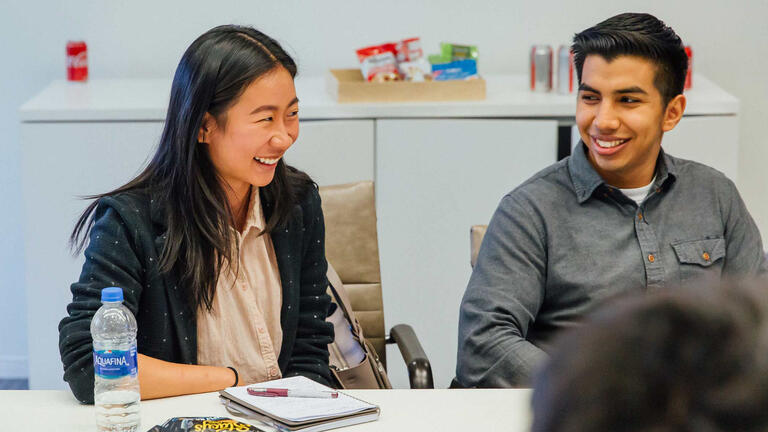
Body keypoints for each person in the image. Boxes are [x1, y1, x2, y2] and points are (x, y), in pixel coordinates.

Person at [456, 12, 767, 387]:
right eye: (590, 98)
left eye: (627, 100)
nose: (603, 120)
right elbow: (484, 345)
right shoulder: (530, 210)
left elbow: (757, 317)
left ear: (672, 112)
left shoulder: (715, 194)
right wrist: (597, 394)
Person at [59, 25, 334, 403]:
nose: (284, 137)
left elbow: (311, 348)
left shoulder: (298, 203)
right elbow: (90, 362)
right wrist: (230, 381)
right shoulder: (132, 221)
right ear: (204, 126)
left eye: (292, 114)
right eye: (265, 119)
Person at [531, 280, 768, 432]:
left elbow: (758, 314)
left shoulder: (719, 203)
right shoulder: (532, 211)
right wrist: (564, 383)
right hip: (591, 394)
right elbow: (497, 331)